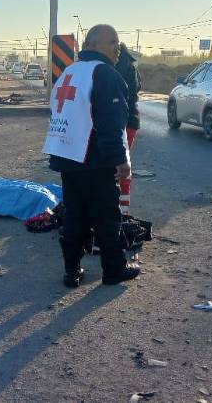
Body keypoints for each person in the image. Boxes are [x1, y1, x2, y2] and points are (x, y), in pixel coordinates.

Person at [42, 24, 140, 288]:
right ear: (93, 44)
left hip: (68, 157)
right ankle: (113, 270)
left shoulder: (69, 72)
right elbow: (112, 124)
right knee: (107, 218)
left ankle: (71, 271)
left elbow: (57, 113)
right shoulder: (105, 74)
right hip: (95, 161)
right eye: (112, 42)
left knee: (75, 216)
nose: (117, 48)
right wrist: (120, 160)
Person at [114, 43, 140, 215]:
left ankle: (117, 212)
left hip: (117, 122)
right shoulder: (130, 66)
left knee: (117, 165)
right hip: (131, 121)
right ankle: (123, 211)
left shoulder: (112, 67)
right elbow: (137, 89)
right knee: (123, 163)